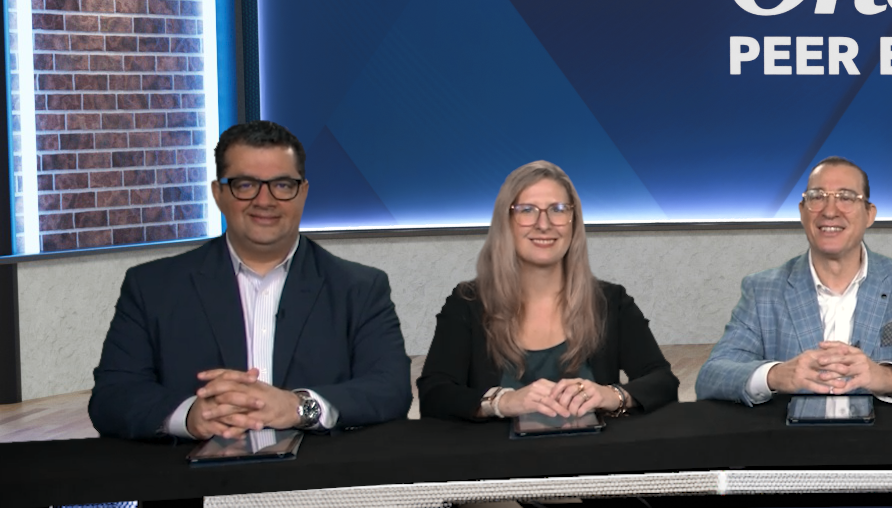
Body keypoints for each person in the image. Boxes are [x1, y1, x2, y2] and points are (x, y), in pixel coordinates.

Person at [89, 120, 410, 440]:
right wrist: (189, 415)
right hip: (191, 468)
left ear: (303, 192)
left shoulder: (360, 288)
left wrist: (298, 407)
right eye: (245, 185)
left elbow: (390, 389)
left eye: (282, 185)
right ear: (218, 193)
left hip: (319, 469)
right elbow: (113, 396)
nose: (264, 200)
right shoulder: (151, 287)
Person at [417, 161, 678, 421]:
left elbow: (662, 381)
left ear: (573, 222)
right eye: (527, 210)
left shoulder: (611, 302)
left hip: (593, 448)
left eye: (558, 209)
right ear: (506, 222)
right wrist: (501, 402)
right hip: (495, 449)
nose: (544, 224)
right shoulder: (467, 302)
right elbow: (434, 394)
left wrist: (612, 395)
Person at [696, 156, 892, 404]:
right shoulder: (762, 289)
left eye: (846, 197)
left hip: (882, 436)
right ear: (802, 211)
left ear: (869, 214)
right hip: (791, 436)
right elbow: (712, 375)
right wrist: (775, 375)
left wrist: (885, 376)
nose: (830, 211)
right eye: (817, 197)